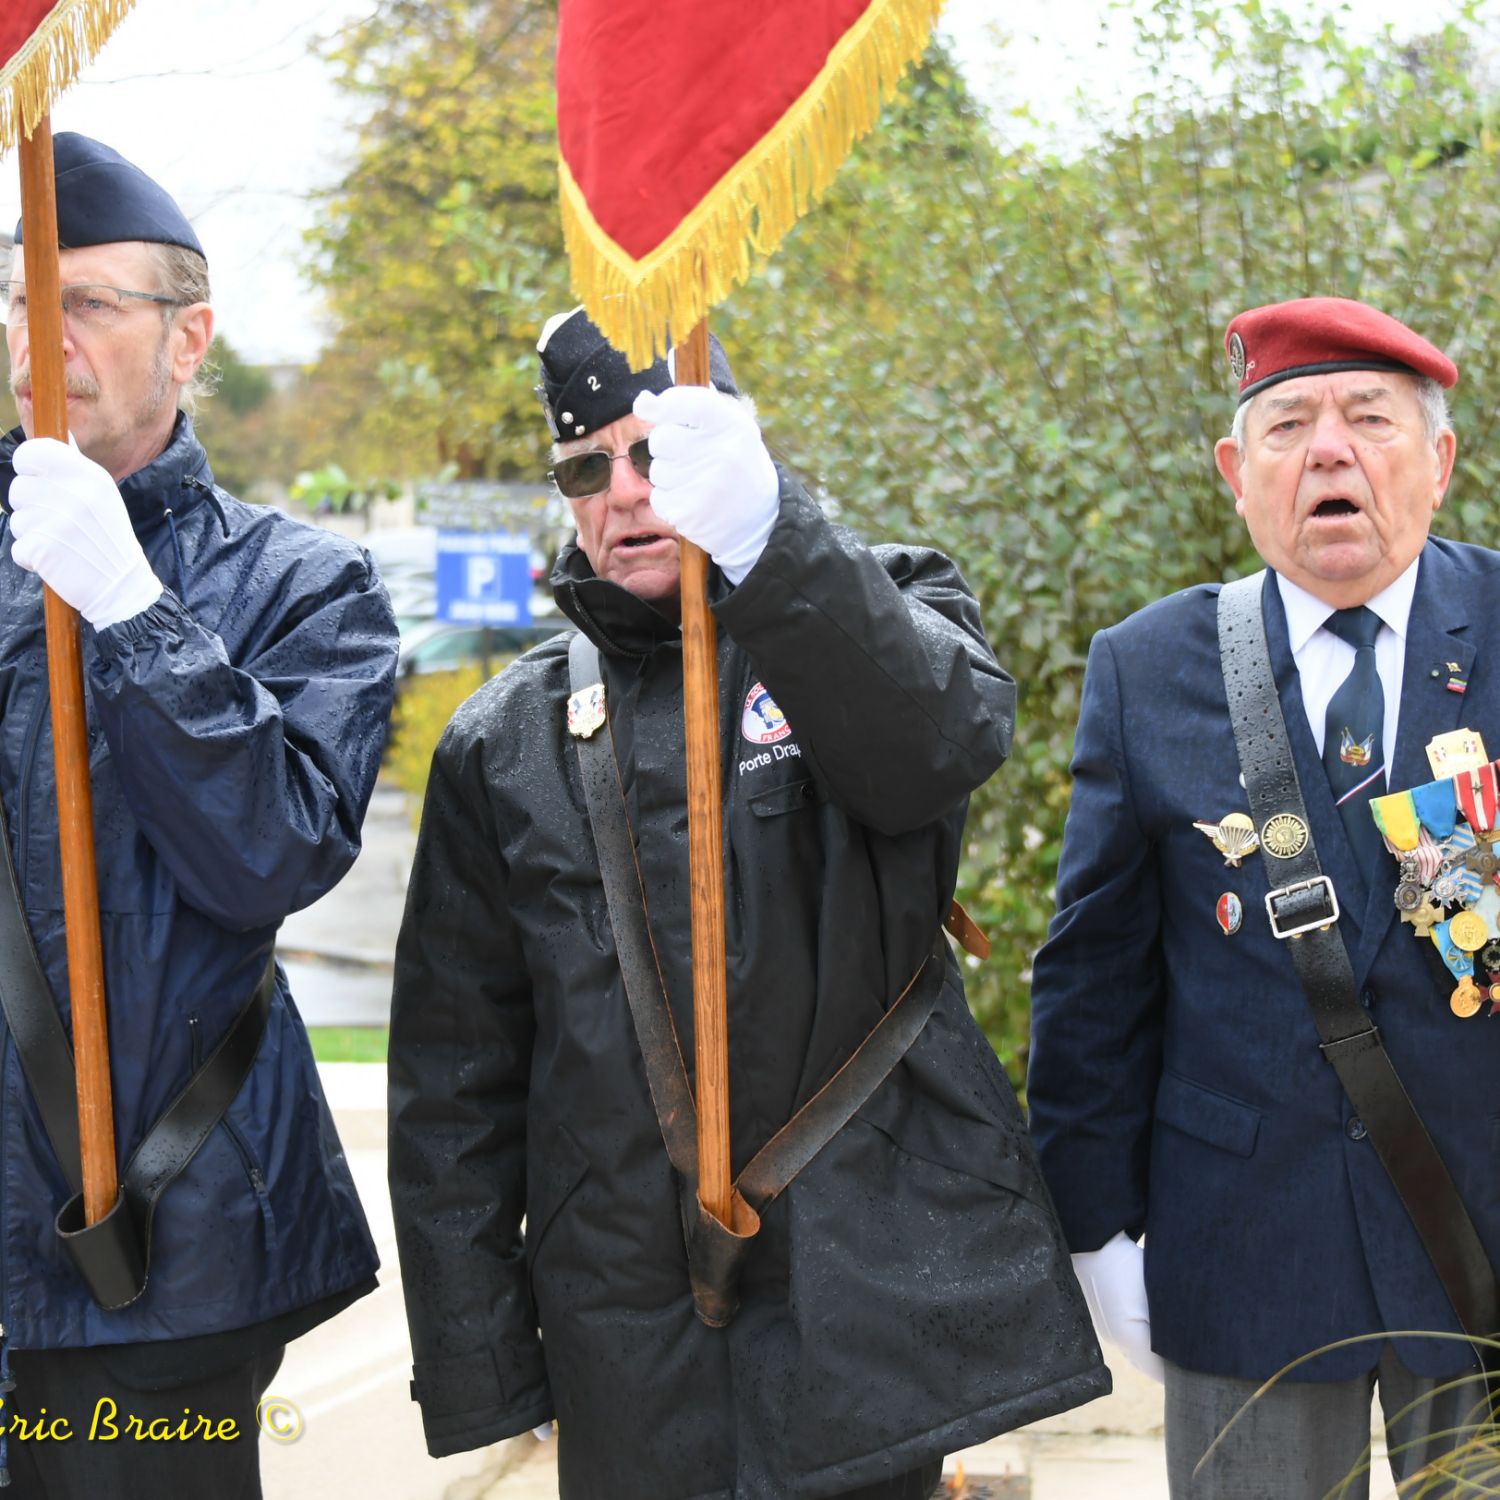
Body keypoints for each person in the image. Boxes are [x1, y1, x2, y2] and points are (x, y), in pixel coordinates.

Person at [388, 307, 1109, 1500]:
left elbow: (934, 749)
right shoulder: (502, 739)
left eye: (655, 453)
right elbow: (454, 1084)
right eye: (585, 469)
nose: (625, 494)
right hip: (625, 1331)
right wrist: (486, 1370)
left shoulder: (878, 605)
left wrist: (770, 534)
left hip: (864, 1306)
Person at [1027, 296, 1500, 1497]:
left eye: (1369, 419)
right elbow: (1094, 977)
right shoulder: (1147, 669)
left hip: (1487, 1232)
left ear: (1440, 460)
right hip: (1247, 1244)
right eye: (1288, 425)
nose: (1330, 450)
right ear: (1239, 476)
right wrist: (1095, 1227)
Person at [0, 133, 398, 1495]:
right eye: (23, 302)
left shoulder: (301, 584)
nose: (45, 339)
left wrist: (132, 612)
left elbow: (270, 854)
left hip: (153, 1254)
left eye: (90, 304)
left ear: (189, 338)